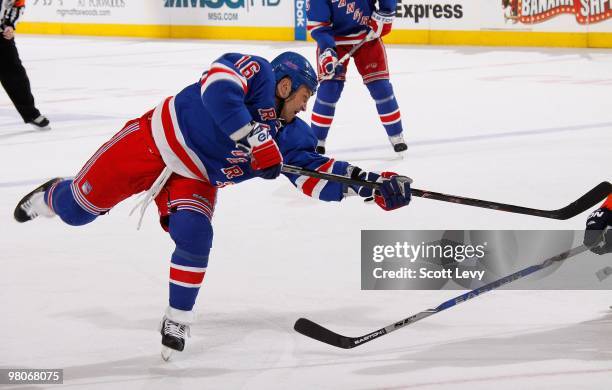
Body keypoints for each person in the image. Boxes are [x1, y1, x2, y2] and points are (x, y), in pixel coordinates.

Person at [13, 51, 412, 360]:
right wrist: (256, 139)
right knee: (78, 212)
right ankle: (52, 195)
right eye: (306, 96)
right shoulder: (257, 73)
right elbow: (217, 88)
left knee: (195, 236)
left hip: (196, 177)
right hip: (152, 143)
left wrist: (372, 187)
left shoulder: (292, 134)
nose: (307, 107)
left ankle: (179, 319)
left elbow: (316, 174)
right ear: (286, 85)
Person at [307, 0, 407, 155]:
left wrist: (386, 13)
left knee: (381, 88)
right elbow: (319, 25)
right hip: (334, 41)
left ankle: (396, 135)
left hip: (367, 34)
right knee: (329, 90)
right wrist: (327, 50)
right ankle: (316, 141)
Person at [0, 0, 49, 130]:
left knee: (15, 76)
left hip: (2, 37)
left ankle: (31, 114)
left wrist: (9, 24)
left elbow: (17, 5)